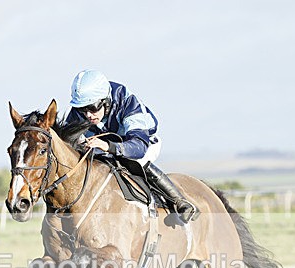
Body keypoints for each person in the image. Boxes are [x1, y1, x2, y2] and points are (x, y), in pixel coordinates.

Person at [65, 70, 199, 223]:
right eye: (82, 109)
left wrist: (108, 146)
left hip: (142, 144)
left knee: (135, 161)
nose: (88, 115)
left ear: (105, 102)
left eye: (93, 108)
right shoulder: (79, 112)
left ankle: (180, 202)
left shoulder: (128, 104)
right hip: (104, 147)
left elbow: (138, 147)